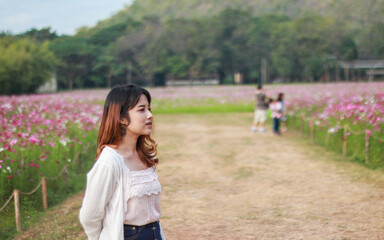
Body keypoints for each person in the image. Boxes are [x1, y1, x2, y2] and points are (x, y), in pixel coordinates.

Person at [79, 84, 166, 240]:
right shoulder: (110, 161)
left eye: (149, 109)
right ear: (121, 118)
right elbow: (89, 215)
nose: (150, 115)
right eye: (141, 110)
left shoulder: (146, 156)